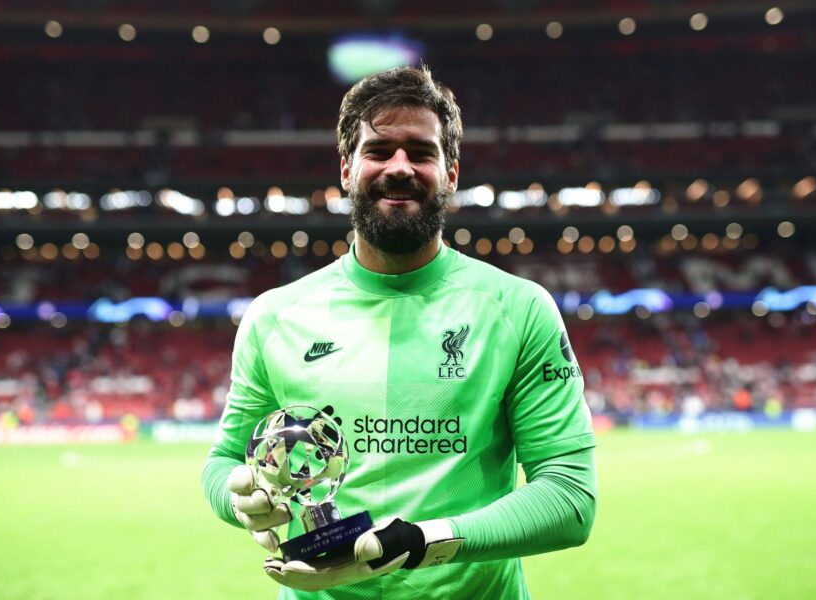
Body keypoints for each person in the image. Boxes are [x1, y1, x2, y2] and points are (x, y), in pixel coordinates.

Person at [202, 66, 596, 600]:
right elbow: (225, 461)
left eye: (422, 152)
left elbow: (570, 497)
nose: (400, 167)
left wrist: (423, 541)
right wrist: (241, 501)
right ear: (347, 169)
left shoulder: (518, 309)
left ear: (451, 174)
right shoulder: (275, 316)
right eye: (380, 150)